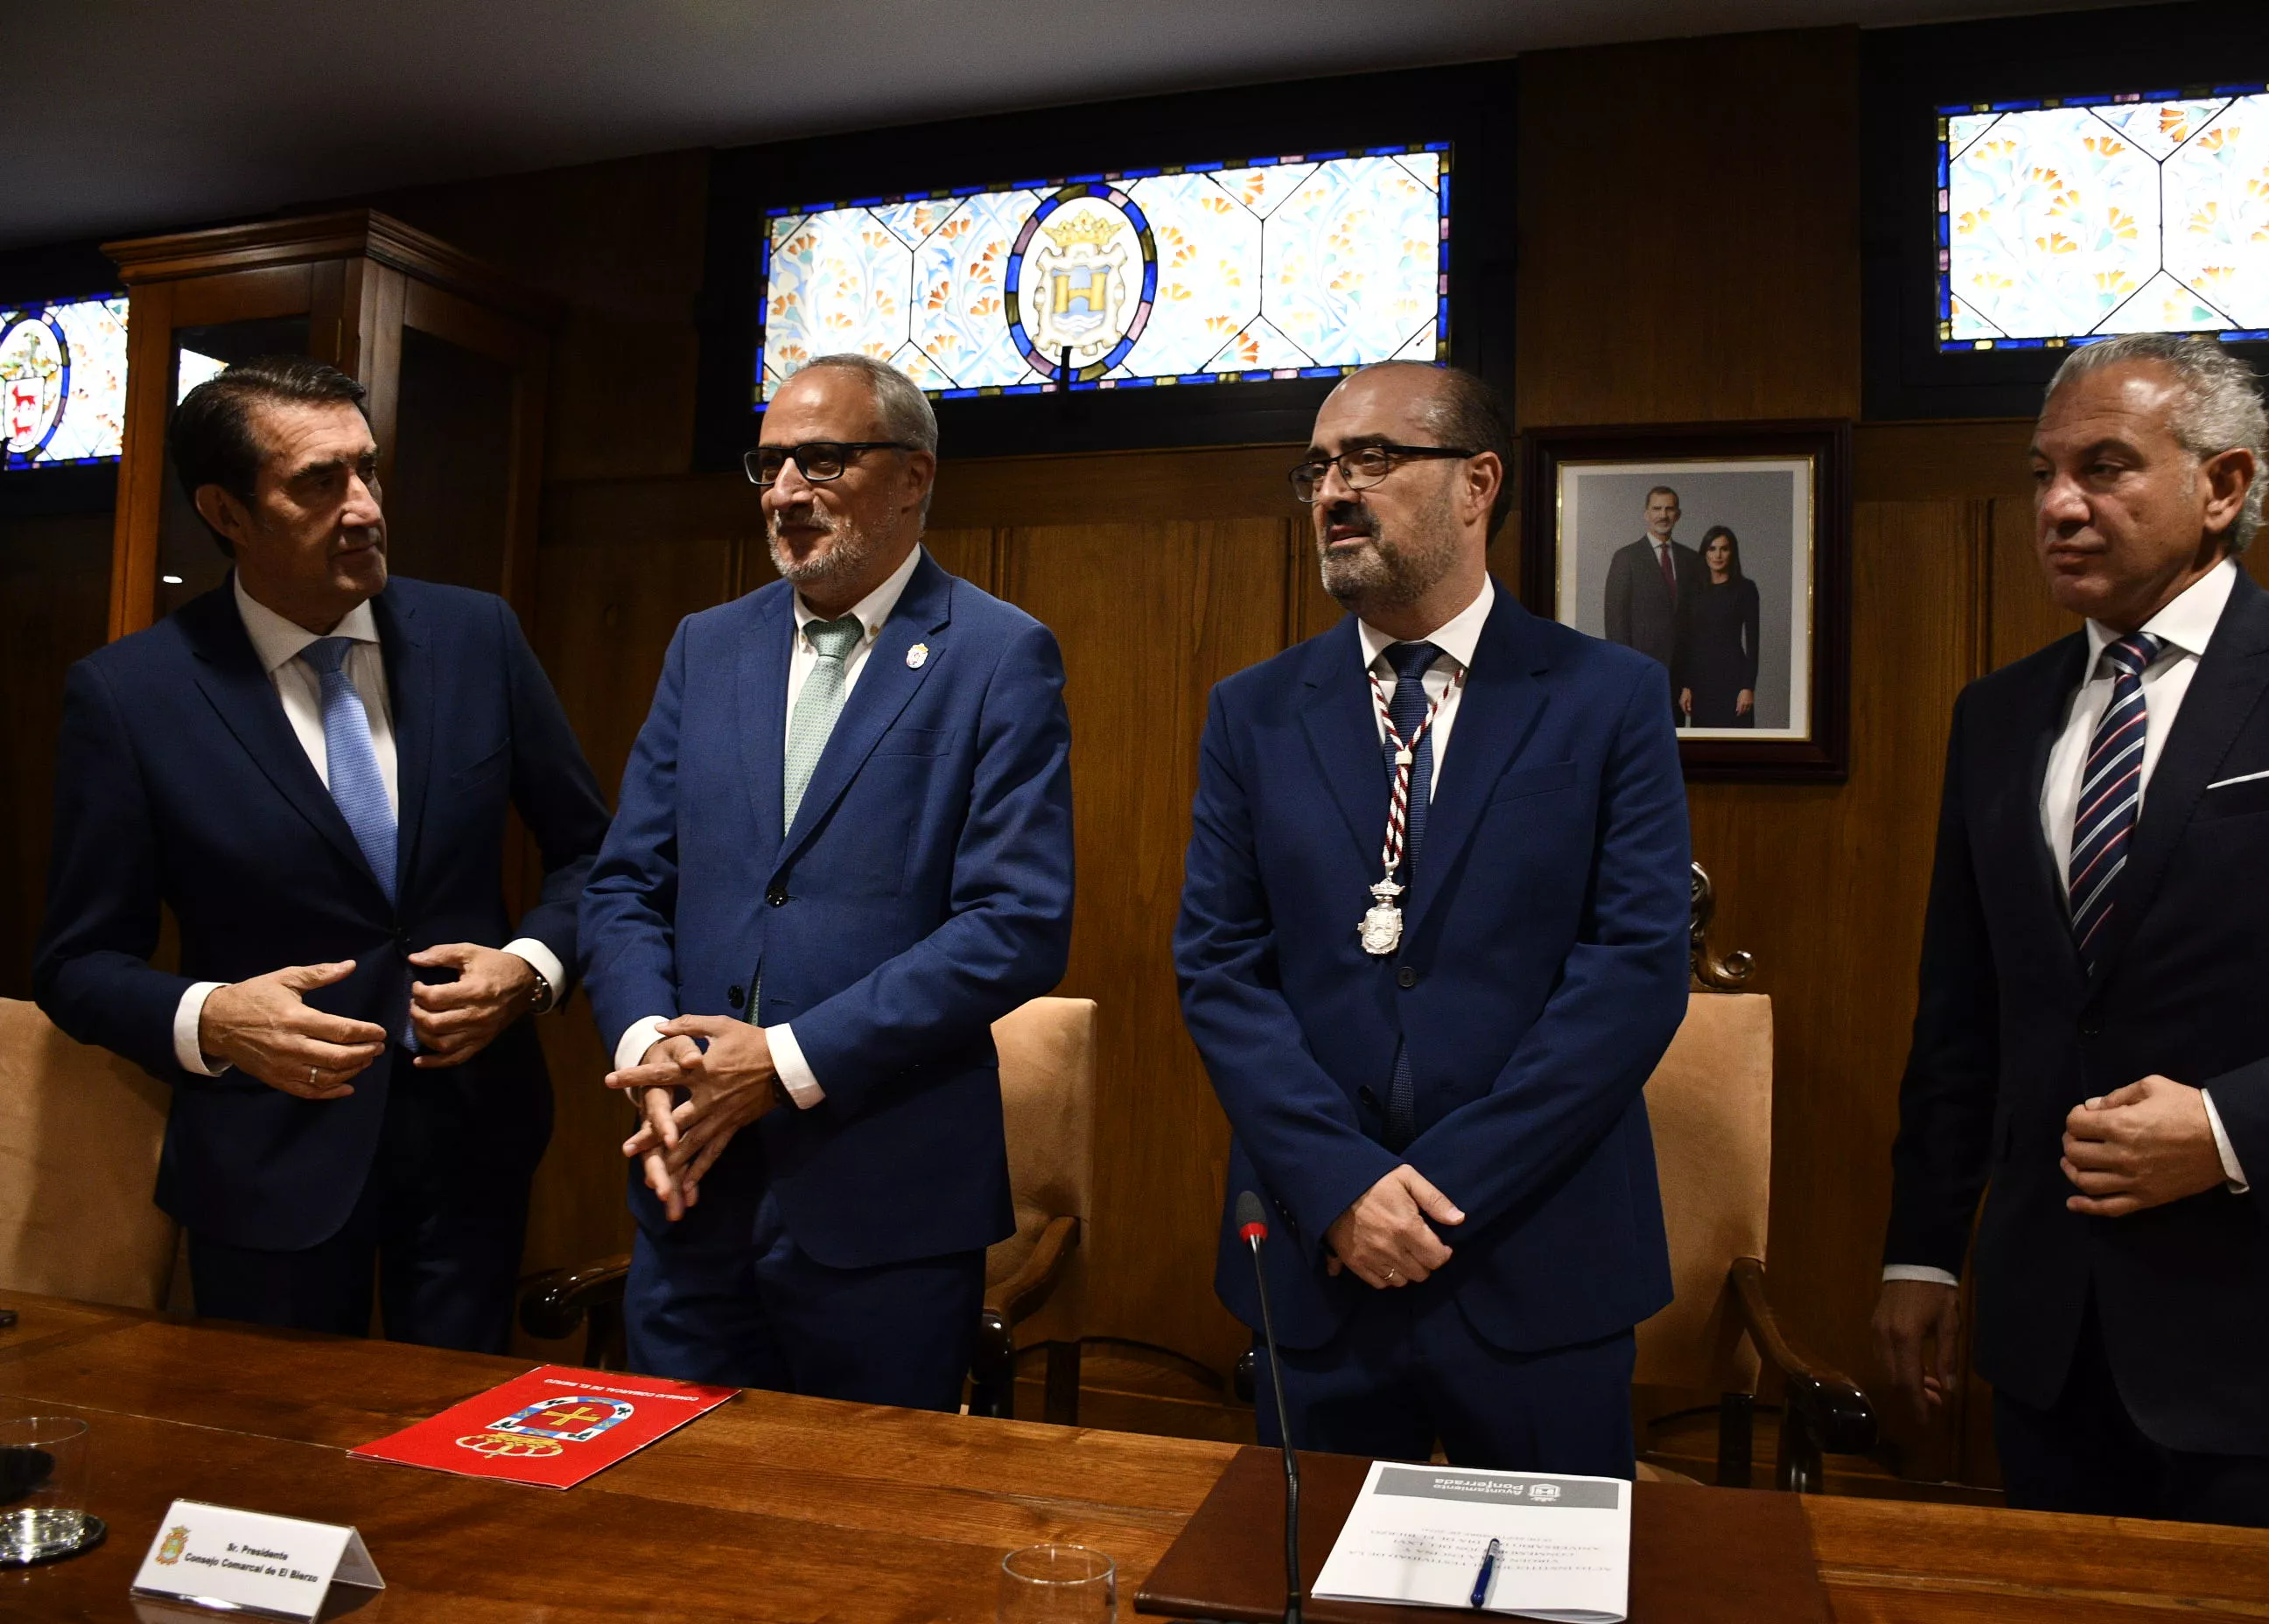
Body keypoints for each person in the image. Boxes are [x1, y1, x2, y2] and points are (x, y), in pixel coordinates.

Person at [1873, 332, 2269, 1537]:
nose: (2061, 507)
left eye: (2107, 467)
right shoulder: (1998, 715)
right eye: (2041, 475)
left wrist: (2230, 1130)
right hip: (2051, 1348)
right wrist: (1921, 1252)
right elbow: (1965, 1016)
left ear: (2224, 486)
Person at [1174, 360, 1690, 1475]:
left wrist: (1439, 1193)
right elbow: (1220, 969)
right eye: (1317, 467)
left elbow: (1634, 973)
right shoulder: (1252, 713)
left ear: (1478, 482)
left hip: (1538, 1260)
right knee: (1305, 1593)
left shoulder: (1609, 697)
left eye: (1371, 459)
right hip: (1320, 1267)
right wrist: (1343, 1186)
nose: (1333, 491)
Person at [33, 356, 607, 1351]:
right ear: (226, 510)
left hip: (474, 1137)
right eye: (317, 481)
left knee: (461, 1468)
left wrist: (531, 969)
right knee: (278, 1474)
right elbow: (78, 963)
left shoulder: (478, 636)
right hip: (267, 1156)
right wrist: (212, 1015)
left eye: (368, 471)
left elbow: (598, 856)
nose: (363, 506)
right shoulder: (132, 697)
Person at [582, 353, 1074, 1406]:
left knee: (869, 1537)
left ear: (914, 476)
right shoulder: (705, 648)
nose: (784, 492)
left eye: (821, 460)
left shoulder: (999, 656)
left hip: (883, 1207)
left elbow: (1015, 923)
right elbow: (626, 883)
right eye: (768, 462)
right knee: (674, 1517)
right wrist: (649, 1047)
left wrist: (788, 1061)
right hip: (687, 1180)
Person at [1602, 485, 1699, 681]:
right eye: (1657, 509)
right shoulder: (1626, 558)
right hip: (1640, 667)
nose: (1663, 515)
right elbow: (1615, 621)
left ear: (1678, 515)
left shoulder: (1692, 559)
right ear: (1646, 514)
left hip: (1682, 671)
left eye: (1669, 509)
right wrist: (1626, 667)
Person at [1670, 524, 1759, 728]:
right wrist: (1686, 685)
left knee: (1737, 749)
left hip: (1734, 680)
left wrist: (1748, 687)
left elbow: (1754, 644)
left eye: (1724, 549)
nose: (1718, 555)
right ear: (1705, 552)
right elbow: (1686, 642)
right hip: (1701, 684)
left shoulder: (1745, 589)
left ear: (1732, 553)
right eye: (1712, 549)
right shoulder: (1693, 592)